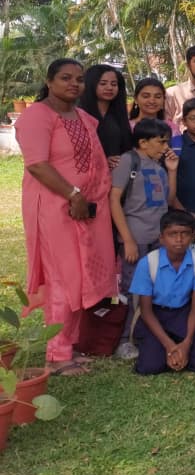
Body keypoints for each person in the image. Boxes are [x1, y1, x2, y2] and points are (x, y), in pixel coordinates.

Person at [16, 58, 117, 375]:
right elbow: (37, 164)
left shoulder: (83, 117)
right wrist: (73, 194)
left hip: (85, 208)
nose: (73, 83)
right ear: (49, 81)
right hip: (54, 206)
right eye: (65, 78)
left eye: (79, 79)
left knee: (80, 276)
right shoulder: (37, 116)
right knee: (63, 276)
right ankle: (57, 356)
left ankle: (69, 346)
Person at [110, 118, 177, 359]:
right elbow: (114, 199)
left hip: (157, 238)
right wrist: (126, 239)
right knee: (132, 290)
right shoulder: (129, 161)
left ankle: (145, 334)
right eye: (161, 141)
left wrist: (172, 170)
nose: (165, 146)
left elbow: (168, 201)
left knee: (155, 287)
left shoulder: (158, 165)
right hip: (136, 238)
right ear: (143, 141)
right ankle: (124, 340)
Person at [128, 210, 195, 375]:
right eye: (172, 234)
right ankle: (164, 345)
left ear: (193, 236)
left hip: (184, 314)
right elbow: (146, 312)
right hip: (155, 315)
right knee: (150, 367)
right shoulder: (148, 263)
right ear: (161, 238)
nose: (179, 239)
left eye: (185, 234)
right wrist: (169, 346)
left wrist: (187, 343)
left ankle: (179, 344)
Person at [77, 64, 132, 168]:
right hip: (89, 172)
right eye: (103, 83)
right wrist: (103, 160)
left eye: (114, 84)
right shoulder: (79, 114)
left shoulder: (119, 114)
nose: (109, 88)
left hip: (118, 174)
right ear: (91, 84)